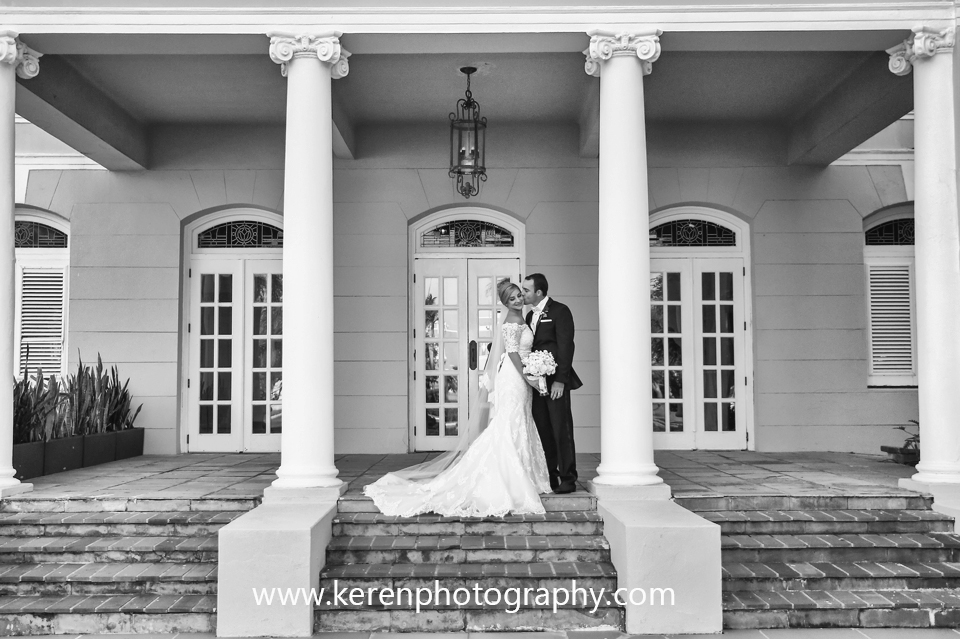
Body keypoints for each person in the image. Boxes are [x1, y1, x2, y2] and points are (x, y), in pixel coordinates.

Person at [363, 280, 551, 517]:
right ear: (505, 303)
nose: (517, 300)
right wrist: (527, 376)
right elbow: (512, 353)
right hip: (514, 378)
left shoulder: (521, 318)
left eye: (518, 296)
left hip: (519, 376)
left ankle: (523, 475)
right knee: (509, 423)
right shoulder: (513, 321)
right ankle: (508, 481)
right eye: (511, 298)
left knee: (518, 422)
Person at [521, 273, 582, 494]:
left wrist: (560, 381)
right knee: (544, 430)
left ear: (538, 292)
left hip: (555, 380)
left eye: (526, 290)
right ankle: (551, 475)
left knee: (561, 429)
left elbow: (567, 347)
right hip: (536, 383)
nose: (523, 293)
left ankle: (568, 477)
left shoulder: (560, 311)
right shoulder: (529, 316)